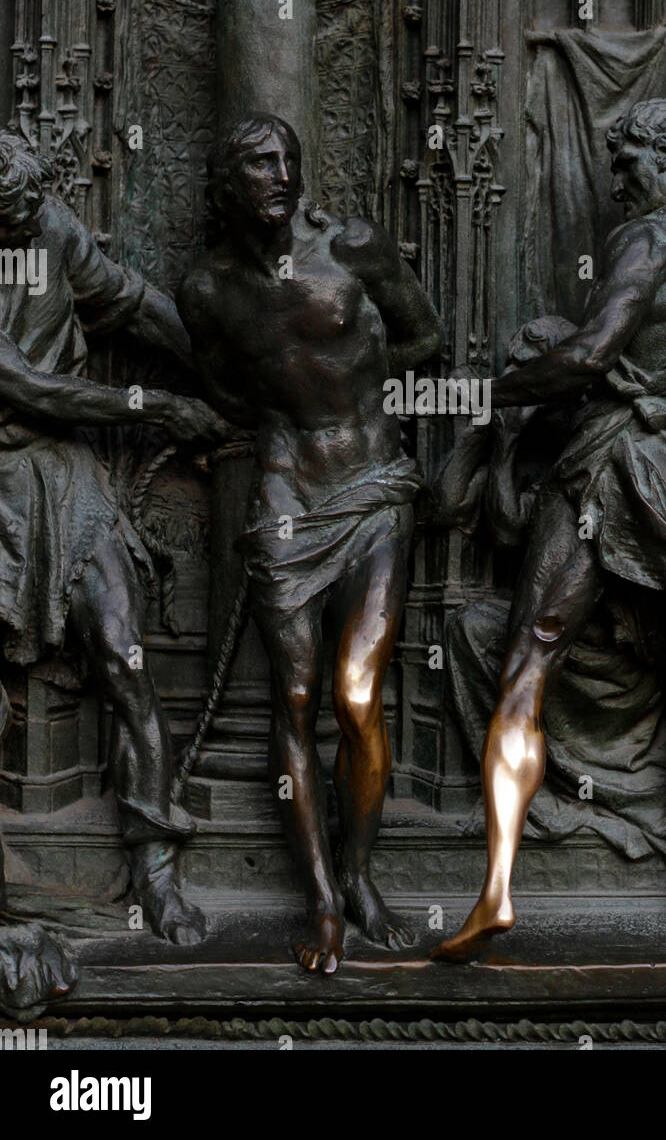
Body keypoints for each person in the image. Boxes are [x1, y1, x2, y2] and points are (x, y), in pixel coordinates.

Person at [433, 77, 666, 961]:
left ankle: (495, 889)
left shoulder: (646, 240)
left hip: (612, 458)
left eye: (629, 158)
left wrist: (494, 390)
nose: (618, 179)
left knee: (530, 651)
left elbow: (592, 352)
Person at [178, 113, 442, 974]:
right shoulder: (207, 290)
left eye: (289, 158)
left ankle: (361, 875)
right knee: (293, 698)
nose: (280, 174)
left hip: (369, 490)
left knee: (357, 697)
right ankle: (324, 902)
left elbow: (426, 339)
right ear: (229, 182)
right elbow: (222, 384)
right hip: (286, 499)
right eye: (260, 162)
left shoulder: (355, 248)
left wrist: (357, 383)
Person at [0, 131, 228, 946]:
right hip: (4, 475)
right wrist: (157, 407)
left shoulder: (46, 224)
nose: (29, 227)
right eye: (12, 220)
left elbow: (125, 302)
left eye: (33, 209)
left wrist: (220, 366)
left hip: (67, 477)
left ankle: (157, 869)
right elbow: (29, 386)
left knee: (124, 653)